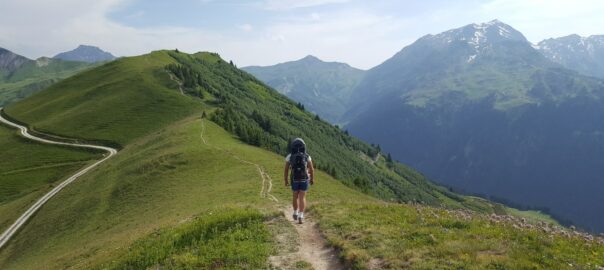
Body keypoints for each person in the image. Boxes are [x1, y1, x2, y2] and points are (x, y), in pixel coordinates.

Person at [284, 138, 315, 224]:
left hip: (294, 179)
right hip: (304, 179)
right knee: (302, 197)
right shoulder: (307, 156)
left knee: (295, 196)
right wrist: (312, 179)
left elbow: (286, 170)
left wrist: (286, 180)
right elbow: (311, 169)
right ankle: (301, 215)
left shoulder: (290, 156)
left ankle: (295, 212)